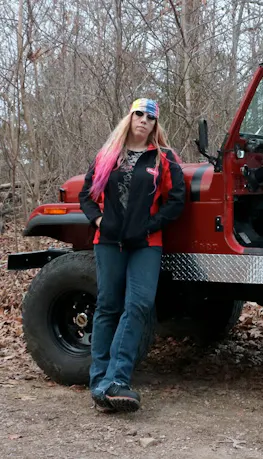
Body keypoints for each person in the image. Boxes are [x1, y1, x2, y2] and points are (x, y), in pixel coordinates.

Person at [78, 98, 185, 413]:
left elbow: (176, 200)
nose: (144, 120)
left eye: (150, 117)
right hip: (108, 242)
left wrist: (149, 225)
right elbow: (86, 195)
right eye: (139, 114)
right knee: (108, 307)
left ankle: (115, 380)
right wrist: (100, 221)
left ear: (155, 124)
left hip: (146, 244)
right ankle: (99, 383)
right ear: (130, 117)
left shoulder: (163, 158)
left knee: (138, 305)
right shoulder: (108, 155)